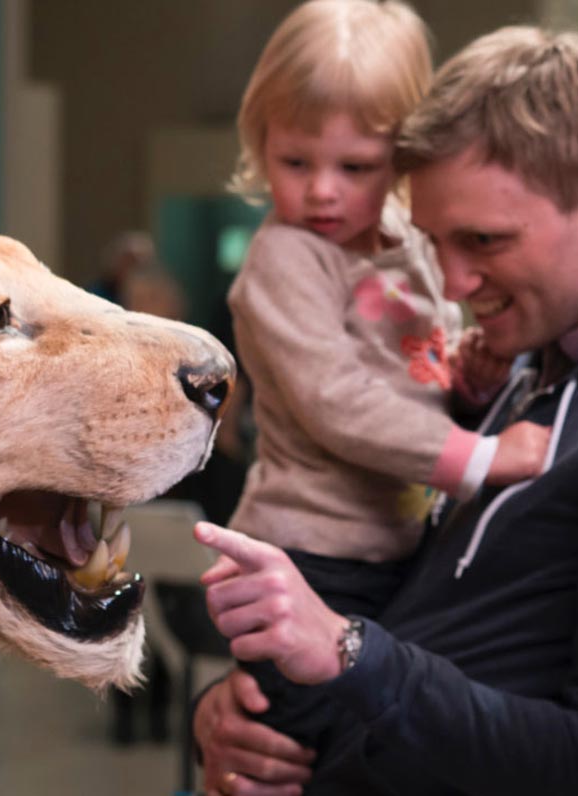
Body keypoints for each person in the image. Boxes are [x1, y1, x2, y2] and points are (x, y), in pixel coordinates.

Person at [192, 23, 578, 796]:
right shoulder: (517, 368)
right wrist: (225, 716)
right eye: (437, 243)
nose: (456, 284)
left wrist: (348, 653)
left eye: (485, 239)